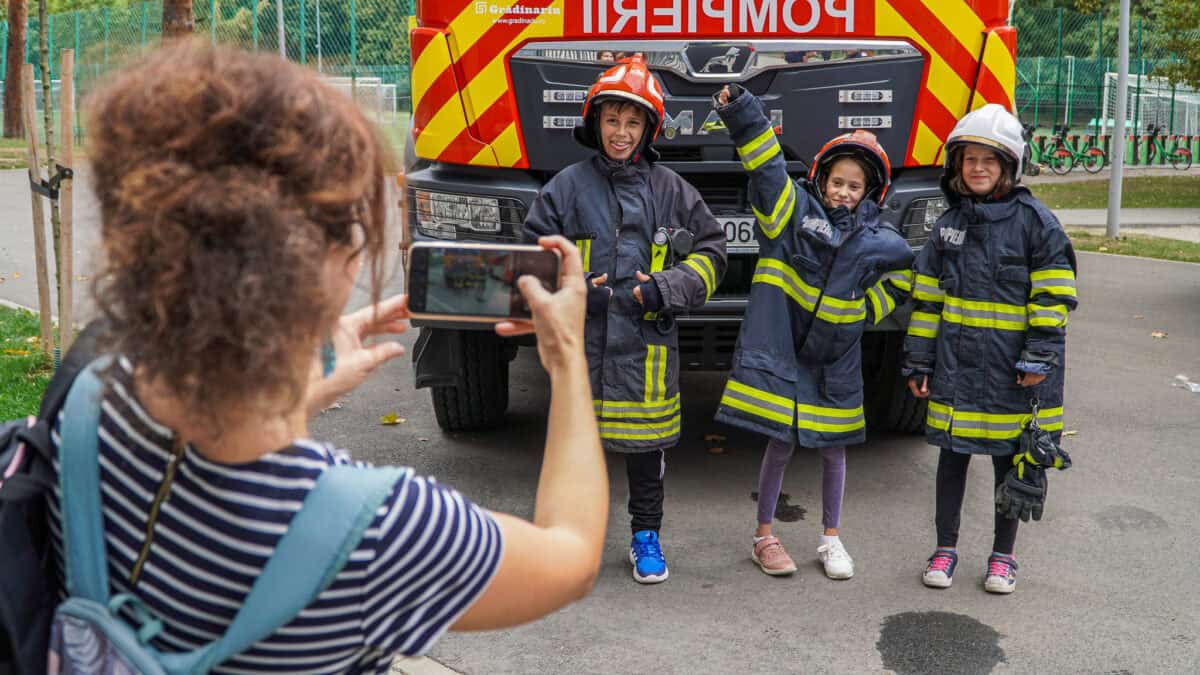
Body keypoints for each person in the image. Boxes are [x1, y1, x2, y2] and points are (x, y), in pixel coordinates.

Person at [45, 42, 607, 671]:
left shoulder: (89, 402)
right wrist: (566, 359)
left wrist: (293, 389)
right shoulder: (371, 529)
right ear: (326, 267)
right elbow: (573, 556)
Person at [524, 57, 727, 584]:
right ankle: (571, 539)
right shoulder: (566, 188)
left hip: (646, 350)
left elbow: (712, 254)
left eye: (632, 122)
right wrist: (568, 287)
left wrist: (665, 288)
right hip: (583, 347)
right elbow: (530, 255)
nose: (621, 132)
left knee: (646, 454)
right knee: (575, 451)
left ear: (648, 129)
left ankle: (646, 536)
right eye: (612, 120)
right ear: (596, 123)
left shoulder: (672, 191)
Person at [712, 84, 914, 580]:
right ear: (821, 179)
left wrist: (867, 310)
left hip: (835, 361)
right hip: (783, 349)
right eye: (837, 181)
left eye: (855, 186)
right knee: (778, 443)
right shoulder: (790, 215)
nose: (843, 192)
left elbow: (911, 276)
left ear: (870, 193)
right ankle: (764, 536)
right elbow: (765, 167)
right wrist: (743, 112)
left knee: (834, 448)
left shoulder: (877, 241)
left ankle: (831, 540)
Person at [903, 103, 1078, 594]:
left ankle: (1003, 557)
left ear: (1009, 167)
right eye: (969, 159)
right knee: (951, 460)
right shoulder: (948, 227)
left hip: (1013, 374)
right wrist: (918, 359)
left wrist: (1039, 357)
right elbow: (927, 302)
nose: (978, 168)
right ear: (956, 166)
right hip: (956, 370)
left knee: (1011, 464)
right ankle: (945, 549)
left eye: (989, 160)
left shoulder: (1036, 223)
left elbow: (1053, 297)